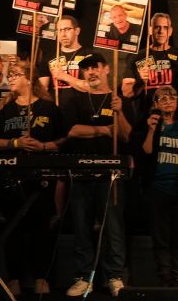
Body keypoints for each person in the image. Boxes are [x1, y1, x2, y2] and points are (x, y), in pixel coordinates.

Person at [0, 57, 68, 295]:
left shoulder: (48, 108)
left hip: (41, 176)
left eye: (15, 74)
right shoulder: (5, 110)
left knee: (42, 228)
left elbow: (64, 138)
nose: (10, 78)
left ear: (29, 78)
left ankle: (42, 276)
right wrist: (15, 143)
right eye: (9, 75)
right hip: (12, 177)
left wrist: (44, 146)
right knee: (14, 229)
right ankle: (14, 278)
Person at [62, 56, 132, 297]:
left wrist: (119, 113)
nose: (91, 72)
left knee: (113, 228)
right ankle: (84, 278)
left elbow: (125, 136)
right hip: (81, 173)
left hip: (111, 175)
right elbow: (73, 131)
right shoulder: (75, 99)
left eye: (95, 67)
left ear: (106, 69)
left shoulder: (118, 100)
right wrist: (104, 130)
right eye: (86, 69)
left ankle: (114, 276)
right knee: (81, 227)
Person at [142, 85, 178, 287]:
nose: (168, 100)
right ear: (155, 104)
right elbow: (146, 151)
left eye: (172, 97)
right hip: (159, 188)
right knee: (161, 237)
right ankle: (165, 279)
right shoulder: (153, 124)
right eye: (162, 98)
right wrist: (151, 130)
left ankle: (177, 279)